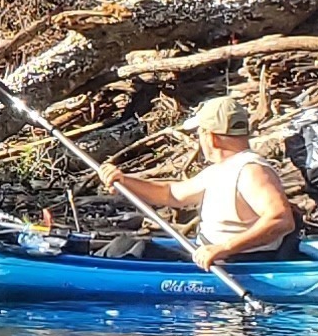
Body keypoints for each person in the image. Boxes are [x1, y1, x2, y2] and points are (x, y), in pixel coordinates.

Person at [112, 94, 301, 263]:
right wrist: (125, 181)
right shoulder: (220, 170)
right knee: (125, 245)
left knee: (137, 250)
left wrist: (224, 248)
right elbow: (171, 194)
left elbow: (281, 220)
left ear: (211, 138)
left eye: (199, 134)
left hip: (236, 261)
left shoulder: (251, 171)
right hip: (212, 254)